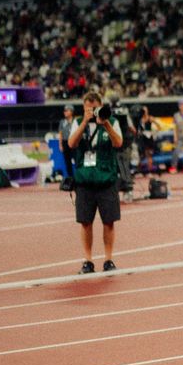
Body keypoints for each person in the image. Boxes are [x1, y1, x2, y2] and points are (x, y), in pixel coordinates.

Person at [67, 89, 124, 273]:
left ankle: (108, 259)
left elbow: (118, 143)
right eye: (89, 109)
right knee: (85, 222)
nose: (93, 111)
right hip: (85, 180)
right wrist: (85, 121)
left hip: (106, 179)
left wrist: (105, 124)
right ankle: (88, 260)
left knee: (109, 221)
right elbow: (71, 143)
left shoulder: (112, 121)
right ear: (84, 109)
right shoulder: (77, 122)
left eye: (95, 108)